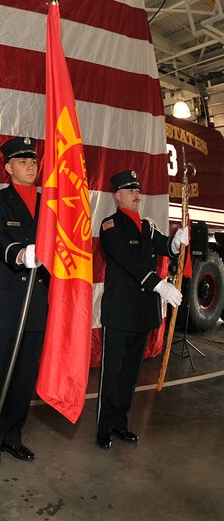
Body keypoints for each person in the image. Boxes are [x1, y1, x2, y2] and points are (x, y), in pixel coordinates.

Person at [96, 170, 186, 449]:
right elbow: (128, 261)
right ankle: (103, 428)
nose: (137, 195)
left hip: (141, 314)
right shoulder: (110, 226)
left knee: (129, 373)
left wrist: (176, 240)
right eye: (130, 191)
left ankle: (120, 424)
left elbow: (165, 247)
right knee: (112, 372)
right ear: (118, 196)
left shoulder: (147, 226)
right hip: (120, 313)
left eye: (138, 190)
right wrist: (160, 286)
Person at [0, 136, 49, 467]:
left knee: (24, 378)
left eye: (33, 161)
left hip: (36, 302)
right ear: (8, 167)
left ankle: (13, 438)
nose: (30, 166)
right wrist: (20, 253)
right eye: (23, 162)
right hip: (8, 304)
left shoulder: (49, 203)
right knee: (3, 376)